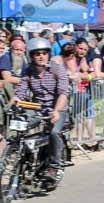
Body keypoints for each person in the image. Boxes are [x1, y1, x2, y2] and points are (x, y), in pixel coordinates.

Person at [11, 38, 70, 182]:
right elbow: (21, 90)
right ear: (31, 56)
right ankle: (25, 160)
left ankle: (54, 166)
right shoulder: (28, 71)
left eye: (44, 53)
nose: (41, 56)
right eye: (37, 54)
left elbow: (63, 93)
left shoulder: (57, 68)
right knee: (22, 129)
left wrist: (56, 111)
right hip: (38, 108)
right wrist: (16, 99)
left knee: (54, 132)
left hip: (57, 108)